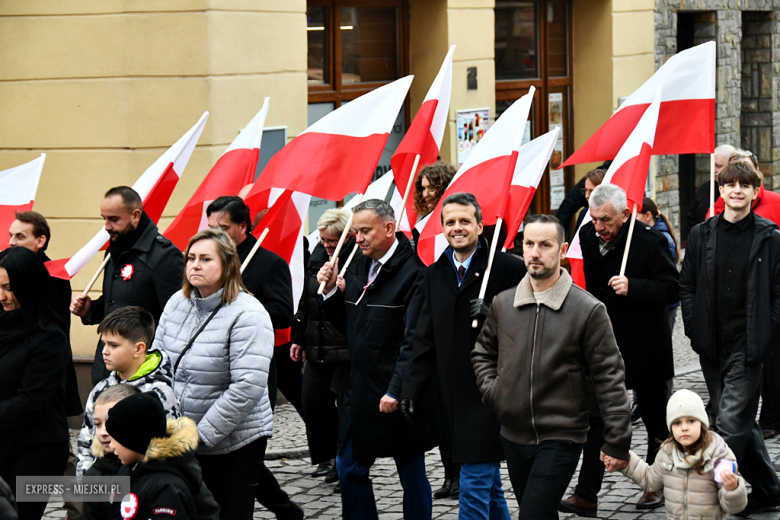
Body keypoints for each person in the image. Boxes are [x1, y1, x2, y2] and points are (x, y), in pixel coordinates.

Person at [471, 214, 632, 520]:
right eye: (529, 244)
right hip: (513, 434)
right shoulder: (503, 303)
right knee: (540, 514)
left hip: (562, 434)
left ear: (562, 250)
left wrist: (618, 440)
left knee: (531, 516)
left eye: (545, 245)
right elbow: (482, 353)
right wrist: (495, 392)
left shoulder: (588, 309)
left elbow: (609, 377)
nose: (535, 252)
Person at [154, 228, 302, 520]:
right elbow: (158, 363)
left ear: (227, 265)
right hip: (182, 437)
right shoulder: (176, 303)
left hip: (235, 442)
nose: (195, 265)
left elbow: (247, 386)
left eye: (206, 259)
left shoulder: (249, 313)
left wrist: (199, 436)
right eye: (191, 258)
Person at [400, 192, 526, 518]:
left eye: (465, 221)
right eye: (450, 222)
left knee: (474, 479)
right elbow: (423, 339)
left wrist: (496, 313)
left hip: (492, 394)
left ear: (480, 226)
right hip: (452, 398)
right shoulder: (433, 274)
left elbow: (533, 325)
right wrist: (410, 389)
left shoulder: (509, 269)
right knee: (487, 482)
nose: (457, 227)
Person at [562, 184, 679, 515]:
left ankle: (656, 485)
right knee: (598, 419)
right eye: (594, 219)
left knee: (656, 421)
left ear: (625, 214)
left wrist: (635, 287)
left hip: (646, 346)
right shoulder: (588, 235)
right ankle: (587, 494)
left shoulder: (650, 241)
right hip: (605, 344)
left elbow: (672, 288)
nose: (599, 226)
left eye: (607, 220)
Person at [317, 199, 438, 520]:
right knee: (348, 467)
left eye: (365, 231)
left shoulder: (415, 272)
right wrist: (330, 293)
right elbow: (352, 326)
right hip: (361, 390)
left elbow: (415, 340)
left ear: (388, 228)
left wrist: (397, 389)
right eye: (356, 231)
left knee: (411, 472)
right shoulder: (358, 264)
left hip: (398, 390)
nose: (358, 238)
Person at [680, 160, 780, 515]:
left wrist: (768, 330)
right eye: (731, 184)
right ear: (720, 190)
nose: (737, 190)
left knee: (728, 423)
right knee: (739, 421)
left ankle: (708, 493)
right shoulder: (701, 234)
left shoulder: (770, 237)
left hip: (748, 344)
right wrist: (692, 326)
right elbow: (687, 284)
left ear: (755, 192)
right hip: (711, 342)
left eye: (745, 185)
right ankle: (769, 489)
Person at [8, 210, 83, 520]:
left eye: (20, 236)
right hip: (16, 427)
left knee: (65, 458)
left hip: (45, 396)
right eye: (10, 235)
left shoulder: (52, 279)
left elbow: (51, 335)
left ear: (40, 241)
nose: (12, 242)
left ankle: (79, 509)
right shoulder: (8, 273)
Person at [70, 186, 184, 385]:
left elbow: (176, 318)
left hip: (140, 372)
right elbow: (115, 303)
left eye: (114, 219)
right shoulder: (114, 250)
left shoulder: (163, 256)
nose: (107, 226)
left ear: (135, 215)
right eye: (104, 219)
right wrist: (90, 311)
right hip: (106, 370)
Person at [205, 196, 299, 416]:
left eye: (223, 228)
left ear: (242, 227)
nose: (215, 235)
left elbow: (283, 314)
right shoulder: (206, 261)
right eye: (211, 228)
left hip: (250, 362)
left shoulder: (269, 263)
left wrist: (244, 306)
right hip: (211, 363)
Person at [0, 247, 70, 520]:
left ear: (28, 285)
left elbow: (30, 403)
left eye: (9, 288)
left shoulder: (49, 337)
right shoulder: (4, 324)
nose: (2, 296)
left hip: (35, 451)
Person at [607, 389, 747, 518]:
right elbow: (650, 480)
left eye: (691, 421)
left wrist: (732, 488)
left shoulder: (719, 455)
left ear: (702, 424)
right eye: (677, 423)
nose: (684, 428)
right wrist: (625, 460)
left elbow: (734, 507)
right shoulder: (667, 452)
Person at [76, 306, 179, 479]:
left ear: (138, 349)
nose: (105, 351)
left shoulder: (159, 394)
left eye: (113, 345)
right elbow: (86, 442)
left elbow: (166, 451)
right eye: (104, 344)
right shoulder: (100, 389)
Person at [290, 209, 354, 485]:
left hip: (343, 345)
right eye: (324, 239)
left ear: (346, 237)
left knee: (344, 408)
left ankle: (344, 462)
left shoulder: (356, 256)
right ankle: (326, 456)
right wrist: (298, 335)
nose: (326, 244)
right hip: (316, 342)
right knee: (312, 402)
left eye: (332, 240)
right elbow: (306, 297)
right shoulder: (317, 256)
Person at [106, 392, 221, 520]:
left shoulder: (165, 488)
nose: (111, 445)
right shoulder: (132, 467)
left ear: (134, 440)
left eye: (116, 439)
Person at [82, 384, 139, 520]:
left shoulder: (152, 470)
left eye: (110, 422)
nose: (103, 432)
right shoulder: (94, 475)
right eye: (98, 424)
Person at [685, 144, 736, 231]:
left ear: (731, 166)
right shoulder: (705, 189)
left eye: (719, 166)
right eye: (713, 165)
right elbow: (691, 220)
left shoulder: (738, 192)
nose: (714, 170)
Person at [555, 161, 611, 235]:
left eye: (591, 191)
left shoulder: (616, 215)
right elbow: (569, 204)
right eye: (585, 191)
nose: (586, 196)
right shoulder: (584, 214)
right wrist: (558, 236)